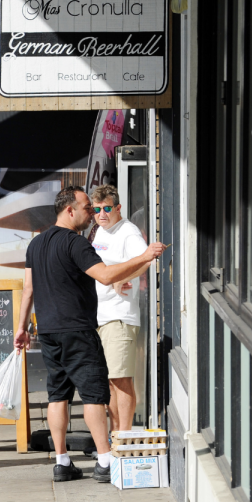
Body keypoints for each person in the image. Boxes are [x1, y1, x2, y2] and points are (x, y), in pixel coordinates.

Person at [14, 186, 163, 483]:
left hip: (49, 330)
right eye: (88, 208)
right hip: (78, 329)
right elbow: (106, 276)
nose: (92, 214)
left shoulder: (36, 244)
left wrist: (21, 327)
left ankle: (61, 461)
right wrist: (146, 255)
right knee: (95, 394)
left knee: (57, 395)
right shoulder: (76, 243)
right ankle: (106, 461)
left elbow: (28, 289)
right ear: (69, 210)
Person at [89, 185, 148, 433]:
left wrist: (125, 277)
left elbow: (145, 259)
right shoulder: (101, 232)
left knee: (121, 381)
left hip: (119, 316)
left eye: (107, 208)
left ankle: (124, 437)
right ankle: (116, 436)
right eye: (97, 209)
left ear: (118, 208)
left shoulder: (128, 232)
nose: (102, 214)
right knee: (111, 382)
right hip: (102, 317)